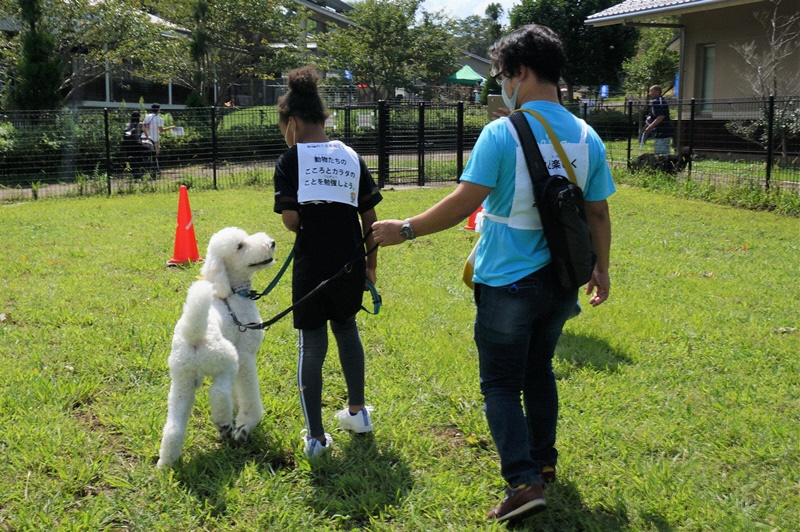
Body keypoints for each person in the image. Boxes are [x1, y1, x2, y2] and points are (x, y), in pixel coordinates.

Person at [371, 24, 614, 523]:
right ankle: (543, 464)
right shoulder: (588, 136)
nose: (500, 84)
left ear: (520, 72)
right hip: (564, 279)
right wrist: (602, 269)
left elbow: (465, 202)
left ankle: (522, 482)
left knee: (501, 384)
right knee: (539, 369)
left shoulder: (501, 132)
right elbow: (598, 214)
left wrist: (407, 229)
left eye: (502, 74)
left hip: (507, 280)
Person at [273, 66, 382, 460]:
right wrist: (370, 266)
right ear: (324, 118)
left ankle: (316, 438)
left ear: (294, 122)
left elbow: (291, 221)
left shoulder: (290, 160)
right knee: (347, 330)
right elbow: (370, 220)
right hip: (351, 263)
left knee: (312, 343)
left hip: (312, 269)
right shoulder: (350, 156)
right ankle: (358, 412)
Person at [143, 103, 176, 174]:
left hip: (147, 137)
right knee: (156, 154)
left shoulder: (147, 116)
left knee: (148, 154)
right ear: (157, 110)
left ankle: (148, 169)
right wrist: (170, 127)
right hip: (155, 138)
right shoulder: (159, 118)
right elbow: (161, 130)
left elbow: (144, 126)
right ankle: (155, 169)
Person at [121, 111, 151, 180]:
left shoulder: (128, 124)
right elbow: (146, 133)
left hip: (128, 145)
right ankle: (139, 173)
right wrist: (148, 137)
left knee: (132, 159)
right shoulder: (140, 124)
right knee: (139, 158)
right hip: (137, 144)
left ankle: (133, 172)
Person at [643, 85, 672, 154]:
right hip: (667, 130)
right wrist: (651, 117)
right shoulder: (662, 100)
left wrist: (650, 127)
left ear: (657, 92)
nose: (649, 93)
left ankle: (663, 164)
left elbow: (661, 116)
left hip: (661, 131)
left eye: (651, 91)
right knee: (665, 150)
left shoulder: (656, 102)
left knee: (660, 153)